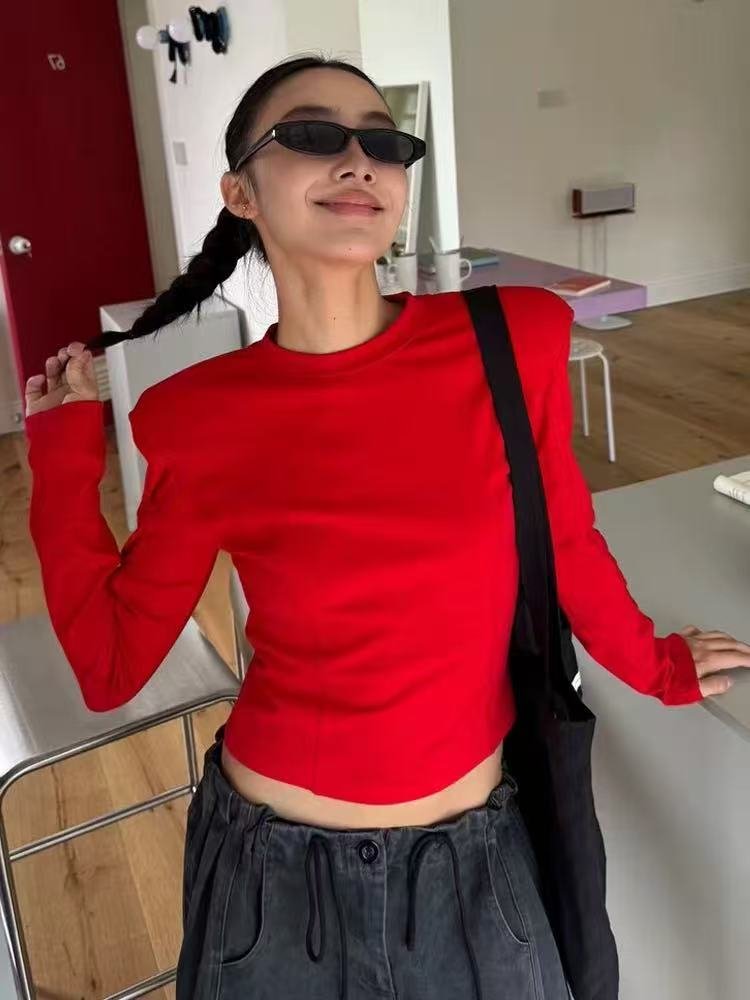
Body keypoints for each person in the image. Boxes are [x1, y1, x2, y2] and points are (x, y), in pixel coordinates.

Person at [23, 55, 750, 1000]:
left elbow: (565, 539)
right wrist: (62, 459)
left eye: (383, 142)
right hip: (273, 884)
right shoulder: (201, 415)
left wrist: (658, 666)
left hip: (476, 869)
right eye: (312, 135)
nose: (358, 159)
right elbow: (111, 663)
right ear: (241, 193)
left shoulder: (511, 338)